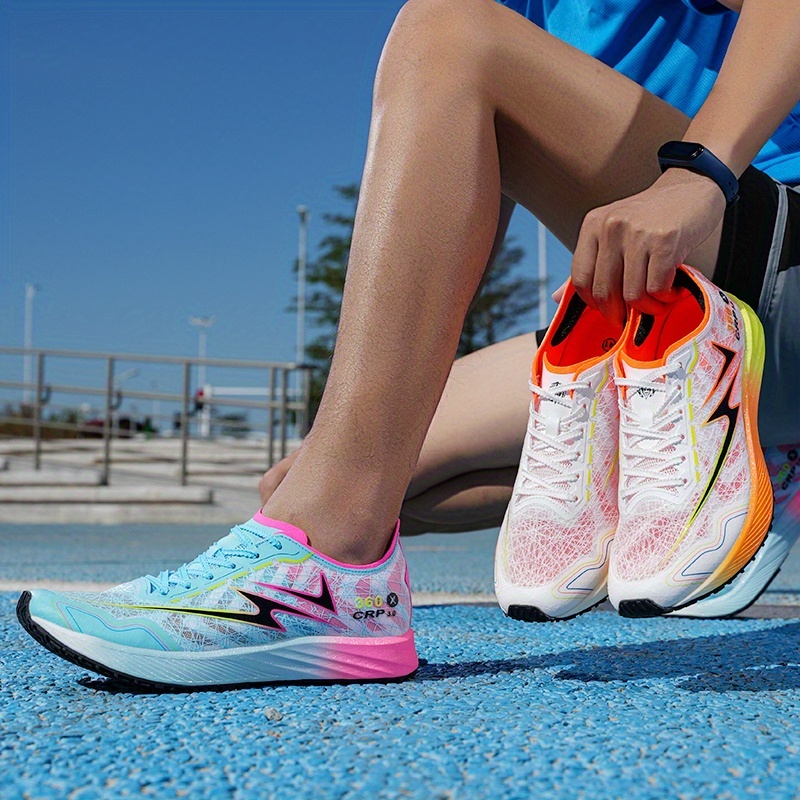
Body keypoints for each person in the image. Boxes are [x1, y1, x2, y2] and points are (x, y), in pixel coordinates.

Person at [17, 0, 800, 687]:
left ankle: (327, 560)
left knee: (449, 34)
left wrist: (699, 176)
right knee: (327, 479)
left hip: (771, 250)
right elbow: (462, 197)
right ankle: (757, 475)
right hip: (672, 329)